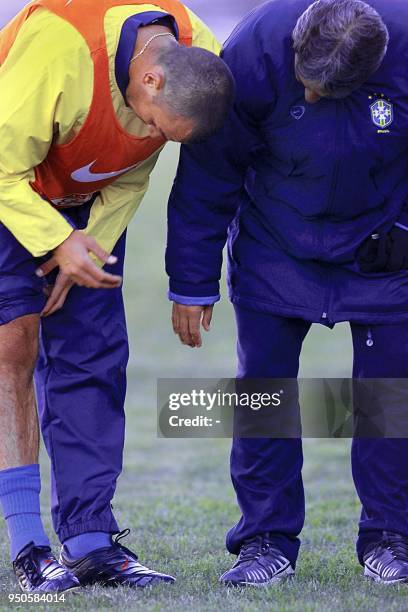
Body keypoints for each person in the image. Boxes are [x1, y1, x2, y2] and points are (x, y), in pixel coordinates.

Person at [167, 0, 408, 587]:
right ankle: (266, 540)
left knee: (387, 400)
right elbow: (208, 173)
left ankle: (390, 536)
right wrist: (192, 281)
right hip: (275, 246)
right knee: (263, 398)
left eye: (329, 92)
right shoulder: (251, 52)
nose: (312, 99)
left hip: (383, 252)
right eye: (306, 85)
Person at [0, 0, 234, 593]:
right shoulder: (60, 45)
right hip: (9, 188)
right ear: (148, 76)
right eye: (156, 123)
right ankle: (29, 548)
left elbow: (132, 171)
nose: (151, 136)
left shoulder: (196, 51)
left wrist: (88, 250)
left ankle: (89, 543)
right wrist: (57, 240)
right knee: (13, 353)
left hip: (87, 209)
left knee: (93, 358)